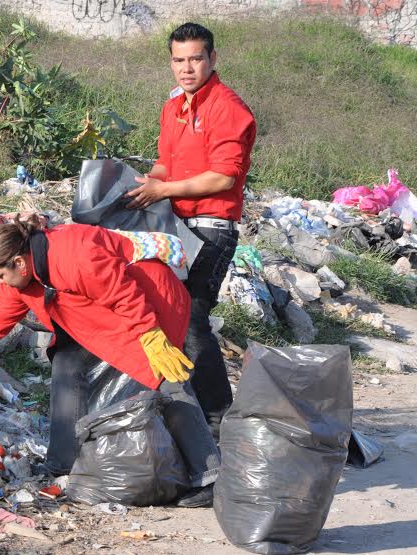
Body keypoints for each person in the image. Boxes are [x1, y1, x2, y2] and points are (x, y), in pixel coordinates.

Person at [0, 217, 221, 508]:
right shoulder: (21, 280)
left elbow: (124, 292)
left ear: (19, 263)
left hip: (150, 303)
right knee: (67, 365)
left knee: (166, 376)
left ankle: (208, 477)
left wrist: (151, 335)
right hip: (96, 313)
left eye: (0, 275)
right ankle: (64, 463)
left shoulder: (74, 252)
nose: (1, 283)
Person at [125, 22, 257, 440]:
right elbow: (165, 163)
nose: (187, 68)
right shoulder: (173, 108)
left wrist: (164, 189)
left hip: (211, 229)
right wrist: (145, 184)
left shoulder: (228, 108)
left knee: (193, 318)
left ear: (212, 60)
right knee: (168, 315)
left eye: (195, 59)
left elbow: (223, 178)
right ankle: (191, 415)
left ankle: (221, 421)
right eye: (179, 60)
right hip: (175, 227)